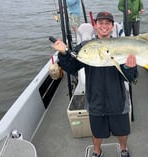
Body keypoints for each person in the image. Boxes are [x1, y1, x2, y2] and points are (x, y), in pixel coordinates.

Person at [52, 12, 138, 157]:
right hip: (95, 99)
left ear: (112, 27)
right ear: (95, 26)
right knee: (97, 131)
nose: (104, 26)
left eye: (107, 23)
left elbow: (131, 77)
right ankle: (97, 151)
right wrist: (63, 54)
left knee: (122, 130)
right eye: (101, 23)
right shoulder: (86, 46)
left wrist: (129, 68)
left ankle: (123, 149)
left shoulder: (122, 45)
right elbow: (72, 68)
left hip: (117, 98)